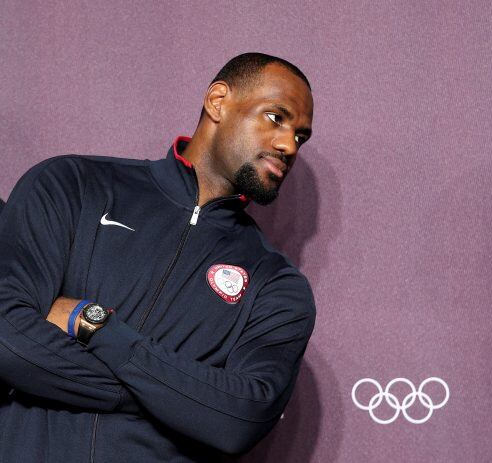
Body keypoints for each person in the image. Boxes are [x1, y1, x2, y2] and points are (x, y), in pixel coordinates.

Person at [0, 53, 315, 462]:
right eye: (276, 118)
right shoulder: (72, 185)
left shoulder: (277, 285)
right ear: (218, 101)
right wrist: (170, 400)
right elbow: (7, 337)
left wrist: (95, 326)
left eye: (301, 136)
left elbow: (237, 419)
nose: (289, 144)